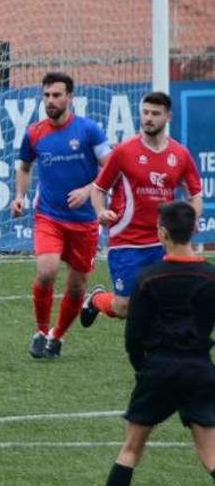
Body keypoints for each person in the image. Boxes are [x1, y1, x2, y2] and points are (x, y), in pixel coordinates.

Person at [104, 200, 215, 486]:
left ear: (161, 233)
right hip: (199, 371)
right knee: (212, 457)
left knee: (129, 451)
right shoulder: (210, 277)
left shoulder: (148, 279)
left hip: (158, 370)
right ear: (196, 229)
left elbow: (133, 337)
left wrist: (144, 368)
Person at [80, 91, 203, 327]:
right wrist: (100, 212)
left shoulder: (180, 154)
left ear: (168, 117)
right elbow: (98, 189)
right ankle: (97, 299)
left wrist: (192, 217)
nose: (148, 118)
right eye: (145, 112)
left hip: (165, 240)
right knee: (124, 307)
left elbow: (196, 196)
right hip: (127, 240)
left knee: (168, 299)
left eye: (155, 114)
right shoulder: (124, 152)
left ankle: (161, 350)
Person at [12, 71, 111, 359]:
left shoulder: (89, 130)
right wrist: (19, 196)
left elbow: (109, 167)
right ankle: (41, 332)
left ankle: (58, 336)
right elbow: (25, 167)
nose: (51, 101)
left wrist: (89, 189)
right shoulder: (34, 133)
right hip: (49, 217)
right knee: (46, 271)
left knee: (78, 285)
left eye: (56, 95)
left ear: (70, 97)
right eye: (46, 95)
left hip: (85, 222)